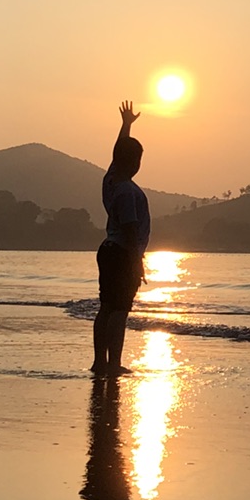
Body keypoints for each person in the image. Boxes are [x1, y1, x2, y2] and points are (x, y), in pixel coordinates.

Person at [93, 100, 149, 376]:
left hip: (108, 250)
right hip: (122, 252)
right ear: (135, 162)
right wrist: (137, 261)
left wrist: (126, 125)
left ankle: (100, 362)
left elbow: (117, 155)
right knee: (119, 310)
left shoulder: (111, 180)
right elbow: (130, 228)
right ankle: (113, 364)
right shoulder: (126, 191)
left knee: (106, 307)